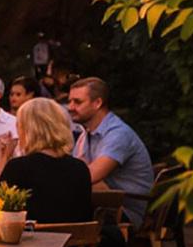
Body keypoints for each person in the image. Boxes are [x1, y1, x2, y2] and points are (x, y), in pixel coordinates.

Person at [66, 77, 155, 227]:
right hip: (104, 205)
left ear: (97, 103)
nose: (70, 107)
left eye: (77, 102)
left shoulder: (118, 134)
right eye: (70, 101)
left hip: (125, 212)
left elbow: (88, 176)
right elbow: (78, 171)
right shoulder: (86, 134)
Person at [0, 97, 95, 223]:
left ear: (27, 129)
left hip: (33, 241)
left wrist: (2, 158)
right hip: (73, 241)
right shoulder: (80, 168)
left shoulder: (19, 168)